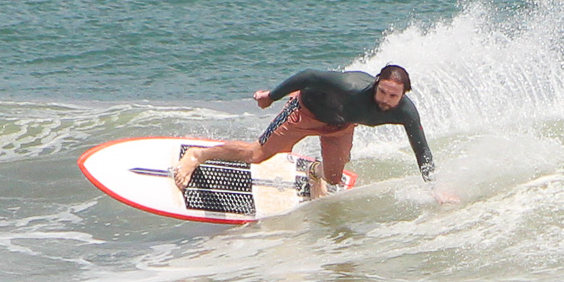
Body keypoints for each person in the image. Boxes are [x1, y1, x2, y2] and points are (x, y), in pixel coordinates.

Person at [173, 64, 436, 198]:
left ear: (403, 95)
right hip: (305, 112)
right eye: (382, 91)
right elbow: (309, 76)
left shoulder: (405, 112)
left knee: (333, 178)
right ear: (376, 83)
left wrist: (434, 188)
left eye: (393, 96)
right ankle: (198, 156)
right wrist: (271, 96)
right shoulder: (350, 86)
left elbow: (421, 149)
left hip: (340, 126)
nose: (386, 99)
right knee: (257, 154)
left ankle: (313, 172)